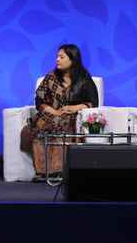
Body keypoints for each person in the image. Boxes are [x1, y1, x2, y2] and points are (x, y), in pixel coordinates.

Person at [23, 44, 99, 179]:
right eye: (57, 56)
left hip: (73, 116)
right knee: (41, 126)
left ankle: (58, 170)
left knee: (63, 124)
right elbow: (39, 101)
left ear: (72, 59)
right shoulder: (50, 77)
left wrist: (75, 107)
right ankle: (42, 171)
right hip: (50, 114)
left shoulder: (84, 79)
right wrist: (54, 111)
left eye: (62, 57)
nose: (57, 59)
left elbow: (93, 102)